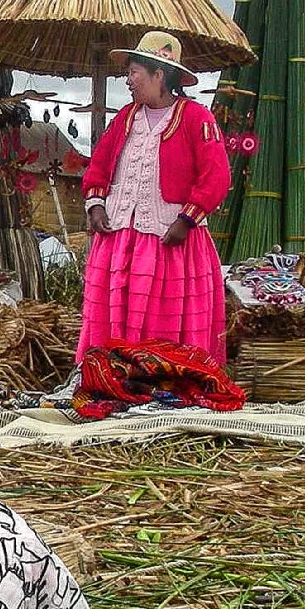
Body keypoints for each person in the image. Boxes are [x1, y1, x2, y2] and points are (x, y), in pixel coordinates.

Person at [77, 31, 231, 365]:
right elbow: (100, 165)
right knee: (116, 310)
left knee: (165, 311)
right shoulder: (125, 119)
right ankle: (114, 374)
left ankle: (162, 379)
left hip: (169, 239)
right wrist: (96, 203)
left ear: (159, 75)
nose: (128, 80)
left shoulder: (195, 118)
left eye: (134, 72)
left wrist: (187, 220)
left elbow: (216, 175)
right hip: (119, 240)